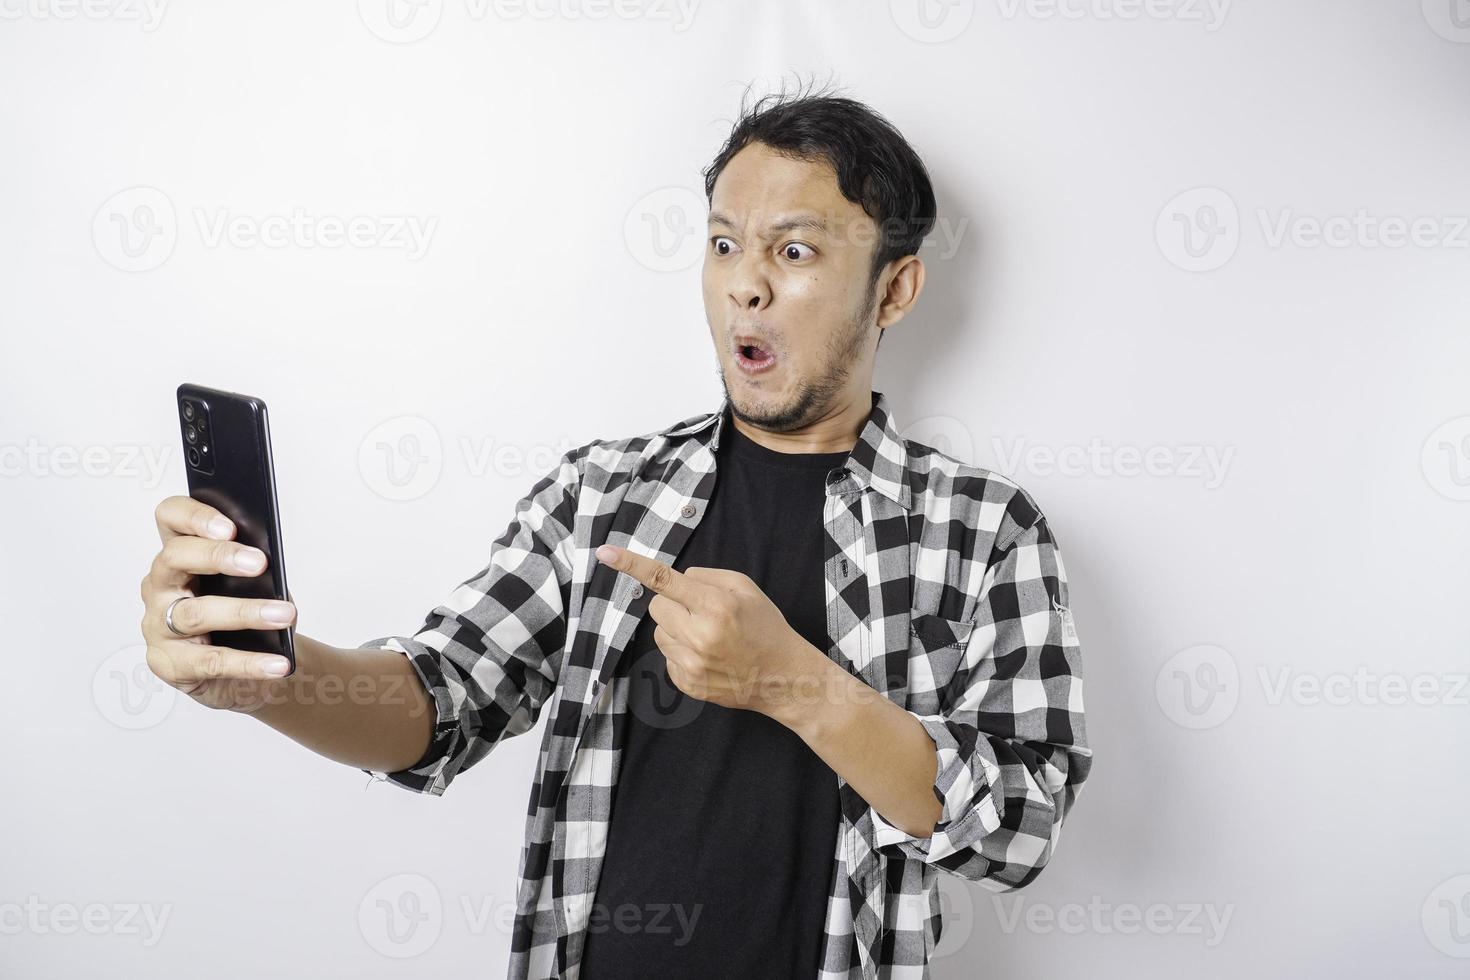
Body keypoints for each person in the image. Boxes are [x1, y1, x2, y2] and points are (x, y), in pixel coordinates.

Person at [138, 82, 1092, 980]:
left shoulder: (983, 531)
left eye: (794, 252)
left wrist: (793, 682)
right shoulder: (604, 493)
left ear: (894, 291)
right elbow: (440, 702)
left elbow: (1019, 828)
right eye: (723, 245)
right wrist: (268, 668)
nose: (744, 288)